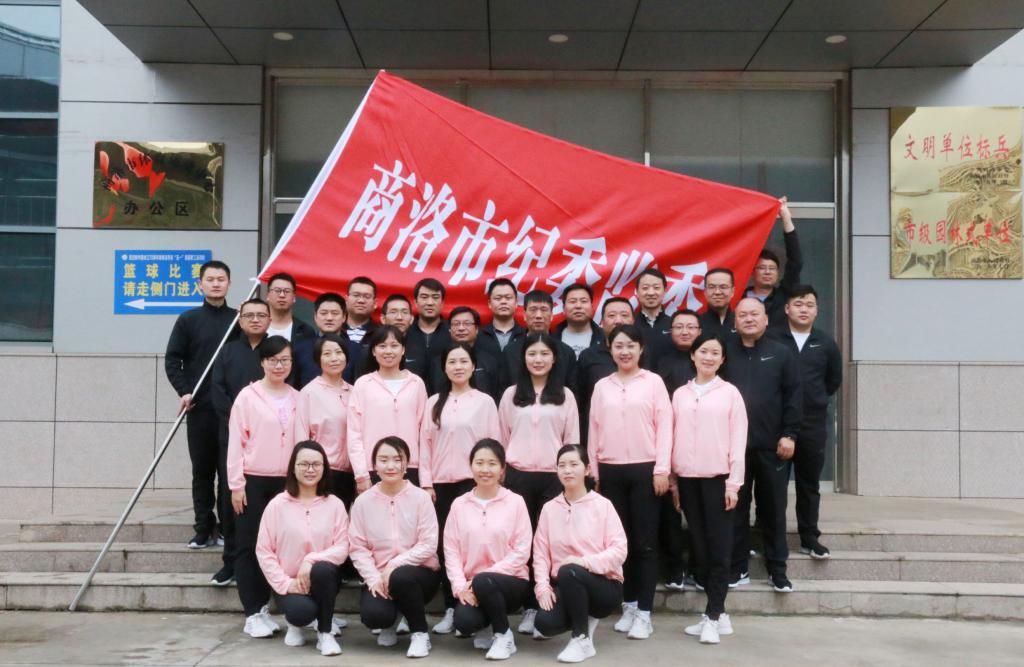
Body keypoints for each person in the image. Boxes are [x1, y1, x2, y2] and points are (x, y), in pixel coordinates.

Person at [587, 324, 672, 640]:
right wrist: (594, 472)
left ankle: (645, 613)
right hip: (610, 471)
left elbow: (665, 427)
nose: (625, 351)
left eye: (630, 345)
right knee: (619, 544)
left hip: (645, 470)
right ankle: (629, 604)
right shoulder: (602, 386)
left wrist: (662, 469)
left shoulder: (653, 382)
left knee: (644, 543)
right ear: (610, 349)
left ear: (641, 349)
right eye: (618, 346)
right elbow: (593, 430)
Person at [498, 333, 580, 635]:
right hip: (517, 475)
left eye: (544, 354)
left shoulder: (565, 396)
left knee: (550, 542)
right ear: (523, 358)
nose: (538, 359)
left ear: (554, 359)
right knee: (523, 541)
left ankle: (550, 602)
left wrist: (571, 475)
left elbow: (572, 440)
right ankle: (529, 606)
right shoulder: (511, 395)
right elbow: (501, 436)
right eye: (532, 354)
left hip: (553, 477)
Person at [671, 334, 748, 645]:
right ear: (693, 355)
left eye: (715, 353)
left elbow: (738, 441)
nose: (708, 357)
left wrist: (734, 484)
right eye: (703, 351)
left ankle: (713, 616)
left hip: (719, 480)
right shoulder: (680, 394)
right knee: (700, 548)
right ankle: (721, 614)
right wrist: (674, 481)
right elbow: (671, 436)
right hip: (687, 480)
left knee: (718, 549)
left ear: (722, 360)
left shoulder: (730, 394)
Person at [421, 342, 501, 633]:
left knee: (476, 545)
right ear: (444, 368)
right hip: (440, 485)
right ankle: (452, 607)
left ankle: (480, 606)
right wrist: (426, 482)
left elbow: (494, 444)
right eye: (452, 362)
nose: (458, 367)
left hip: (475, 483)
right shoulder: (433, 402)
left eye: (463, 361)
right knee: (448, 548)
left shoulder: (484, 402)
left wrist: (494, 482)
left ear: (473, 366)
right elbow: (425, 444)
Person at [723, 298, 802, 593]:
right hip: (734, 449)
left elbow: (794, 396)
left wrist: (790, 434)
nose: (749, 319)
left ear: (766, 319)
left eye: (754, 314)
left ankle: (777, 570)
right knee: (735, 509)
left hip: (773, 446)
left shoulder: (782, 353)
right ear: (735, 321)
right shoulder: (724, 352)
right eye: (742, 314)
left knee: (773, 509)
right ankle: (737, 568)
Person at [226, 335, 299, 638]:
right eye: (272, 360)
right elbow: (235, 442)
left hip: (288, 483)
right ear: (262, 362)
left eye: (284, 360)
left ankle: (277, 607)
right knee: (249, 545)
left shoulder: (298, 397)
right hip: (253, 480)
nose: (279, 365)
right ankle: (253, 612)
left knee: (281, 546)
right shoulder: (248, 396)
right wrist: (236, 484)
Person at [165, 259, 238, 551]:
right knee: (203, 471)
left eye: (221, 279)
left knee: (228, 471)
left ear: (229, 284)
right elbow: (173, 360)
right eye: (210, 279)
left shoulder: (238, 319)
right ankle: (203, 528)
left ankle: (226, 528)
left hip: (231, 410)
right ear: (200, 285)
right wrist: (184, 391)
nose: (216, 284)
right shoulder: (188, 320)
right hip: (199, 407)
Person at [533, 445, 627, 664]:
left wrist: (584, 562)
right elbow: (540, 553)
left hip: (605, 586)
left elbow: (619, 550)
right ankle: (583, 618)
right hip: (568, 584)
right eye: (562, 465)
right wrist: (543, 587)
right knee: (544, 624)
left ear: (587, 469)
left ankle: (581, 639)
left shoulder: (603, 505)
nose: (567, 470)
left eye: (574, 464)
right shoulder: (549, 509)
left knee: (569, 570)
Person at [348, 436, 440, 658]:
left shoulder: (421, 498)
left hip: (420, 575)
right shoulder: (363, 502)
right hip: (380, 575)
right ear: (374, 465)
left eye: (397, 459)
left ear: (406, 464)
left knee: (401, 577)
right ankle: (392, 619)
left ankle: (420, 633)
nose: (391, 466)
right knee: (375, 616)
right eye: (383, 460)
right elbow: (358, 548)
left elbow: (429, 544)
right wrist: (374, 579)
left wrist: (394, 565)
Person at [255, 441, 349, 656]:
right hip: (291, 581)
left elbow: (343, 546)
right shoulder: (278, 505)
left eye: (316, 464)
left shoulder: (334, 504)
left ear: (324, 468)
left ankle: (325, 633)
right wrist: (286, 583)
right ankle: (295, 624)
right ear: (293, 467)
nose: (310, 469)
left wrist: (311, 560)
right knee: (301, 612)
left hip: (324, 578)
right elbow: (264, 551)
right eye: (304, 464)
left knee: (322, 569)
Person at [768, 285, 842, 559]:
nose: (804, 309)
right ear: (787, 308)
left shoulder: (826, 343)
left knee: (809, 485)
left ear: (816, 310)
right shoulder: (773, 339)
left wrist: (812, 401)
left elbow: (832, 381)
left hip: (812, 425)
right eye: (798, 304)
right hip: (776, 425)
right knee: (773, 488)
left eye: (809, 305)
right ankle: (770, 539)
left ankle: (809, 537)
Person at [443, 440, 532, 660]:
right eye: (479, 462)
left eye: (492, 463)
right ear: (471, 466)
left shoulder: (516, 502)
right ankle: (486, 625)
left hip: (510, 582)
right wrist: (460, 587)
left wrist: (483, 578)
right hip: (471, 586)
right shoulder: (459, 505)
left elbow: (522, 551)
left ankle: (503, 636)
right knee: (464, 622)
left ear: (502, 469)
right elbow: (451, 550)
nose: (485, 469)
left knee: (485, 581)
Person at [209, 297, 274, 586]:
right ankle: (231, 562)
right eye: (249, 315)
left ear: (270, 320)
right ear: (240, 320)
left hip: (270, 441)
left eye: (261, 315)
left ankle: (267, 564)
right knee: (231, 499)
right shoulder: (227, 351)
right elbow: (218, 391)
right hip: (233, 437)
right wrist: (239, 423)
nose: (255, 320)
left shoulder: (277, 350)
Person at [347, 326, 428, 492]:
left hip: (410, 466)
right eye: (382, 346)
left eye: (394, 345)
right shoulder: (363, 384)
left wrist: (426, 478)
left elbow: (425, 433)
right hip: (374, 467)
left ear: (403, 350)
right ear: (373, 351)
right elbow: (354, 433)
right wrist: (361, 474)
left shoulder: (416, 383)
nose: (388, 351)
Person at [653, 308, 701, 590]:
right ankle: (674, 568)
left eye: (691, 327)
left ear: (700, 331)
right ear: (670, 332)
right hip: (666, 444)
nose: (685, 332)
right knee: (670, 512)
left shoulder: (708, 359)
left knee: (697, 514)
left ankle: (698, 568)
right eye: (679, 327)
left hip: (701, 449)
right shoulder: (661, 362)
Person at [294, 335, 355, 509]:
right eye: (327, 354)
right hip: (321, 471)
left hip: (351, 472)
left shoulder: (354, 392)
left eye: (338, 352)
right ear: (318, 359)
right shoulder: (309, 392)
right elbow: (301, 437)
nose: (334, 358)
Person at [574, 297, 634, 446]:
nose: (618, 320)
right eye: (612, 315)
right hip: (599, 438)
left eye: (624, 315)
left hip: (638, 436)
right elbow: (580, 402)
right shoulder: (588, 356)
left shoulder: (644, 353)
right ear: (601, 322)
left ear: (633, 321)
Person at [745, 197, 802, 328]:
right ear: (752, 273)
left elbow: (796, 262)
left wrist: (786, 217)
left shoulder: (784, 296)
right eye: (762, 268)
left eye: (772, 268)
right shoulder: (738, 298)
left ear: (778, 273)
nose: (767, 272)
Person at [428, 306, 504, 405]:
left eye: (467, 324)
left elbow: (496, 396)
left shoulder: (489, 361)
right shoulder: (437, 363)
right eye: (456, 324)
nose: (461, 328)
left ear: (477, 329)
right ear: (449, 330)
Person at [503, 291, 576, 389]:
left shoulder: (566, 352)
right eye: (533, 310)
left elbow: (572, 391)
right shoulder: (510, 351)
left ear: (551, 315)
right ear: (524, 315)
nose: (538, 316)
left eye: (544, 310)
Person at [294, 293, 364, 386]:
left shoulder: (356, 350)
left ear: (344, 317)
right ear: (315, 317)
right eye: (324, 313)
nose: (329, 318)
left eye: (335, 313)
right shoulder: (300, 349)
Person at [405, 278, 451, 392]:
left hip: (446, 398)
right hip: (408, 398)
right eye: (424, 297)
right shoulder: (404, 333)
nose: (430, 303)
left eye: (435, 297)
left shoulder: (453, 333)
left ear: (442, 303)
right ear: (415, 302)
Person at [633, 268, 672, 370]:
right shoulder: (630, 324)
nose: (651, 293)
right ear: (636, 291)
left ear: (665, 291)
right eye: (645, 288)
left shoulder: (674, 325)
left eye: (656, 287)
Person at [477, 278, 525, 359]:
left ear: (516, 302)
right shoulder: (478, 336)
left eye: (508, 298)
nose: (503, 302)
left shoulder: (526, 335)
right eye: (498, 298)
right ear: (489, 303)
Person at [554, 283, 603, 360]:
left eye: (583, 301)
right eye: (573, 301)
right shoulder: (551, 339)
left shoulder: (605, 338)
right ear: (563, 309)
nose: (578, 306)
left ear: (592, 308)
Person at [265, 273, 317, 343]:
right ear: (268, 295)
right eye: (277, 290)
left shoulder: (305, 331)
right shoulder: (256, 327)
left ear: (294, 297)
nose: (282, 295)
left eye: (287, 291)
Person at [698, 268, 737, 340]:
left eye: (723, 287)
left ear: (732, 291)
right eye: (712, 287)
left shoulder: (742, 322)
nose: (717, 292)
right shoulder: (695, 324)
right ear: (705, 292)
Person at [345, 276, 379, 345]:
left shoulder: (381, 334)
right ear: (346, 300)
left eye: (367, 297)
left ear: (375, 303)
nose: (361, 300)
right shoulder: (334, 329)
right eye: (356, 295)